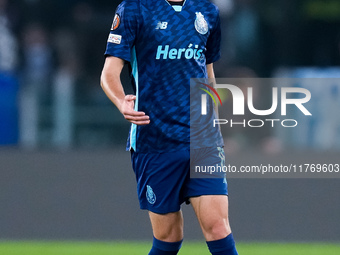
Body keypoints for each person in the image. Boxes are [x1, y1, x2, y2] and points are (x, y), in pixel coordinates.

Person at [100, 0, 238, 254]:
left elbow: (207, 73)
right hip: (155, 139)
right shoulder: (134, 9)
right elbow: (109, 72)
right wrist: (122, 102)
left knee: (218, 227)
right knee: (169, 237)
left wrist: (216, 125)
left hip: (202, 138)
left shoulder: (207, 10)